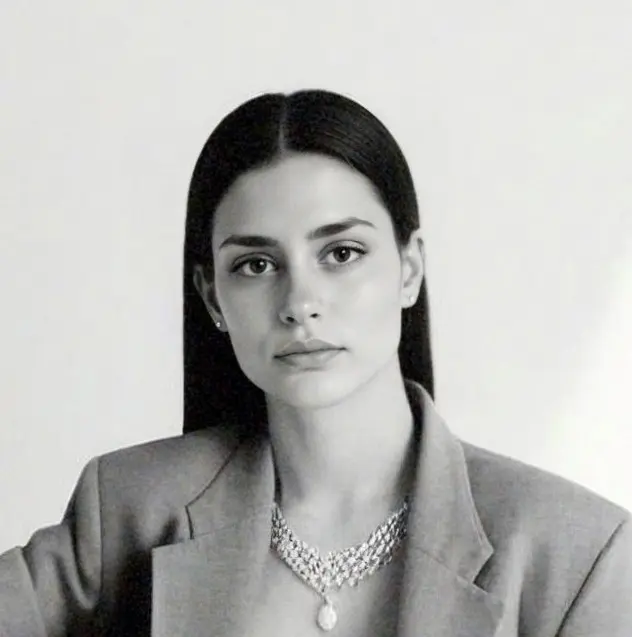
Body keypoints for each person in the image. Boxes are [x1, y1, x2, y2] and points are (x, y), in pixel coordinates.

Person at [0, 89, 630, 637]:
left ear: (409, 269)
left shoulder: (578, 555)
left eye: (342, 253)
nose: (300, 303)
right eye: (256, 265)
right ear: (213, 297)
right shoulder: (127, 510)